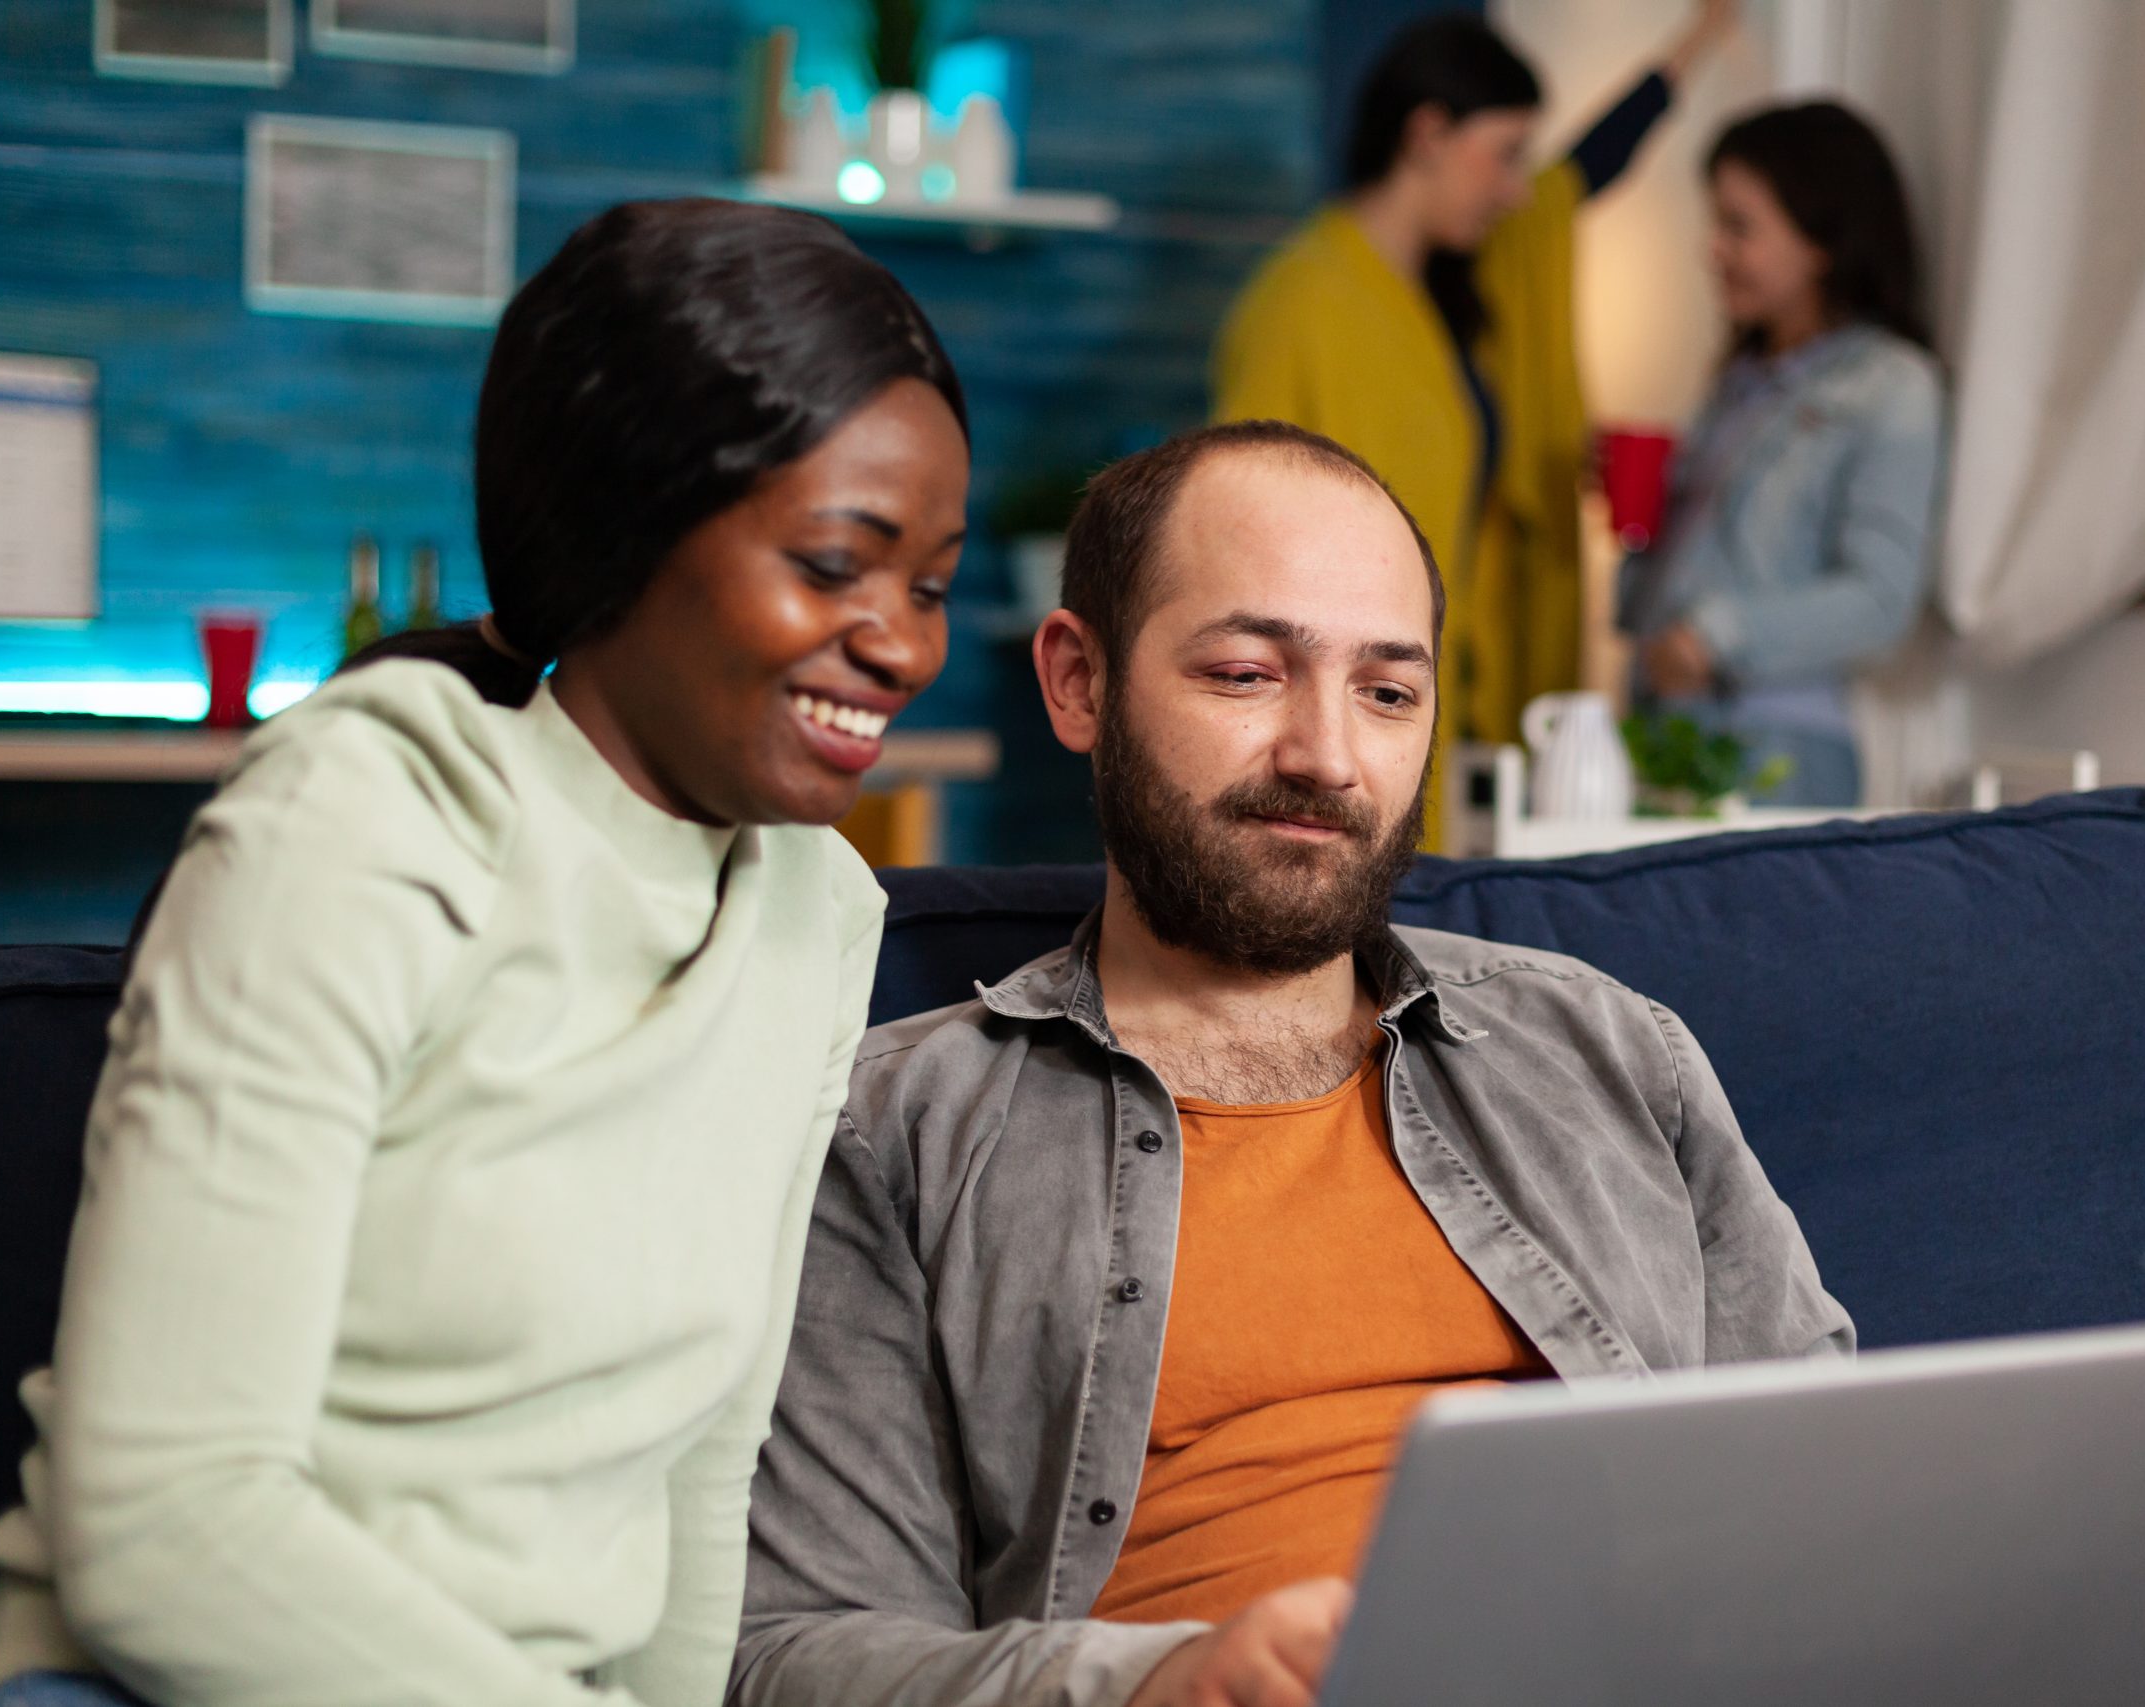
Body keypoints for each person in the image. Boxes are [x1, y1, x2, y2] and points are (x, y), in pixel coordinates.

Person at [0, 200, 969, 1707]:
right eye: (835, 564)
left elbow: (696, 1473)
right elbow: (161, 1523)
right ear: (627, 525)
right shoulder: (363, 819)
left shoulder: (816, 906)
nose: (900, 640)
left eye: (931, 583)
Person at [730, 420, 1852, 1707]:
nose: (1327, 756)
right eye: (1248, 673)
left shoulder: (1607, 1049)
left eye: (1387, 691)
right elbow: (795, 1652)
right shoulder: (892, 1131)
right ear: (1078, 682)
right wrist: (1162, 1681)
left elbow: (1832, 1497)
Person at [1213, 1, 1737, 822]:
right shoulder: (1301, 304)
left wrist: (1699, 42)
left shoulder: (1441, 303)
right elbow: (1232, 533)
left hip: (1437, 711)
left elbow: (1583, 174)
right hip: (1332, 732)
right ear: (1427, 135)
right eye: (1502, 155)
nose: (1517, 189)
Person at [1618, 101, 1947, 808]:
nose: (1713, 249)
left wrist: (1714, 637)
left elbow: (1882, 598)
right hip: (1667, 730)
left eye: (1739, 226)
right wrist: (1639, 519)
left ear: (1821, 239)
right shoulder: (1737, 384)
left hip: (1775, 750)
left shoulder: (1892, 385)